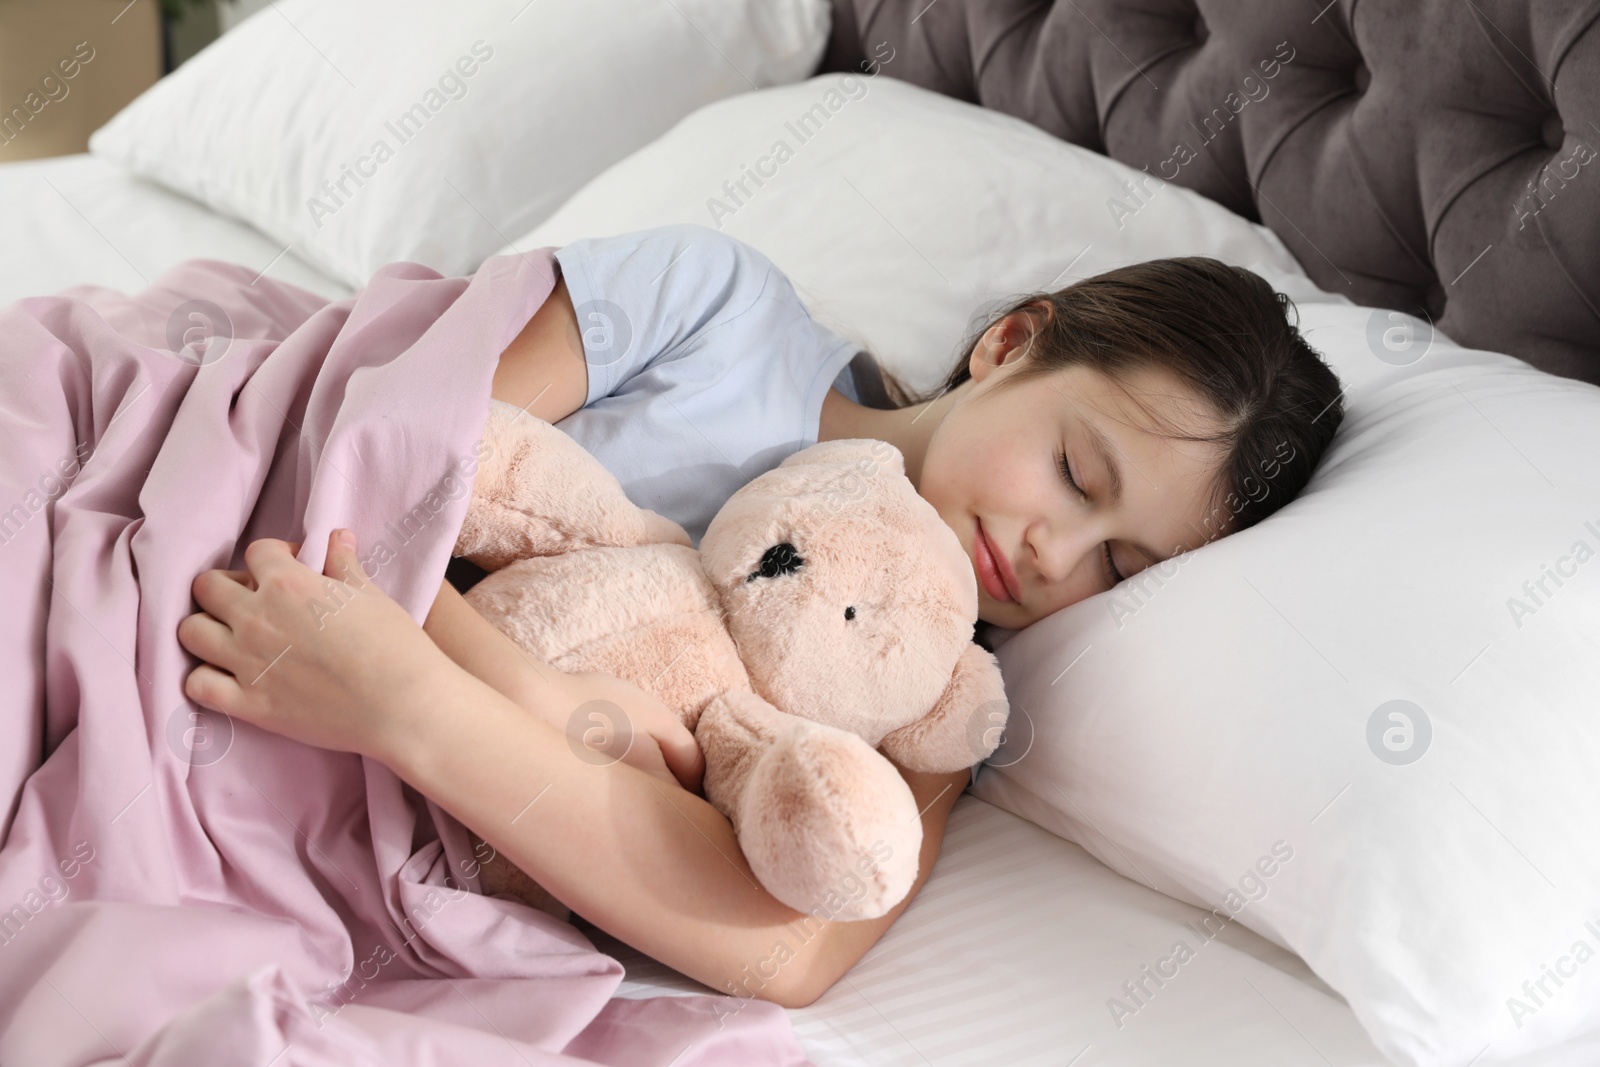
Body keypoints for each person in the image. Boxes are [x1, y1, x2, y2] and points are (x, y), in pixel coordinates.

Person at [174, 225, 1343, 1009]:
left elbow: (788, 947)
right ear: (1011, 343)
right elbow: (389, 468)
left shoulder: (929, 679)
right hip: (209, 537)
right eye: (1078, 475)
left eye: (1118, 560)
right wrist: (536, 699)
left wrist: (420, 708)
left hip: (362, 778)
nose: (1052, 555)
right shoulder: (717, 312)